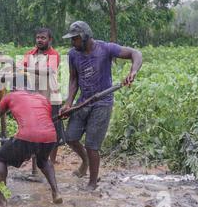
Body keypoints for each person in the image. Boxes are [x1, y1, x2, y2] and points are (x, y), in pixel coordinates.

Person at [60, 21, 142, 191]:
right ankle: (85, 161)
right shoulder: (73, 54)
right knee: (70, 137)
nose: (72, 43)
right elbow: (74, 80)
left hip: (102, 102)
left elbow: (135, 53)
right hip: (83, 101)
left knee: (92, 145)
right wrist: (69, 103)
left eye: (75, 39)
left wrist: (133, 71)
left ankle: (92, 181)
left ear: (85, 37)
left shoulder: (105, 49)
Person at [0, 74, 63, 206]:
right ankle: (56, 192)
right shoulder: (42, 98)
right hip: (50, 136)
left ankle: (3, 200)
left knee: (1, 158)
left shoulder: (11, 96)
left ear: (14, 87)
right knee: (43, 161)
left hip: (28, 135)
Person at [21, 28, 65, 164]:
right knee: (35, 127)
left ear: (50, 40)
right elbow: (19, 68)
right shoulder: (30, 54)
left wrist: (26, 69)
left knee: (54, 129)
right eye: (38, 37)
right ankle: (36, 159)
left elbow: (48, 71)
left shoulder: (54, 54)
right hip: (35, 98)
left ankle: (51, 160)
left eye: (43, 38)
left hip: (52, 98)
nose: (40, 40)